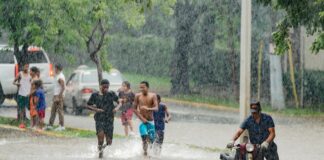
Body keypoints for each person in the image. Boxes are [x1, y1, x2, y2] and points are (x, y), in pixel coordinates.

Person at [86, 79, 120, 158]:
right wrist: (96, 109)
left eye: (107, 87)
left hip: (109, 119)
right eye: (104, 87)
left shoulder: (111, 94)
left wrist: (116, 108)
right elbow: (88, 105)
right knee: (100, 139)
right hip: (99, 119)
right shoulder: (95, 95)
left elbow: (119, 102)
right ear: (100, 86)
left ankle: (101, 149)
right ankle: (100, 154)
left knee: (109, 142)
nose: (106, 89)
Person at [133, 81, 158, 156]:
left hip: (150, 121)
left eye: (143, 87)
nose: (141, 89)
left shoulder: (153, 96)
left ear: (147, 87)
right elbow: (134, 109)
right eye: (140, 87)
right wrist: (142, 118)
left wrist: (148, 109)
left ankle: (150, 152)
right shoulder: (137, 96)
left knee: (151, 140)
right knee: (144, 137)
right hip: (142, 121)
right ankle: (145, 153)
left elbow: (156, 108)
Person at [47, 64, 66, 131]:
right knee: (53, 111)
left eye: (55, 68)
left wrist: (59, 96)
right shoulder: (57, 76)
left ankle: (62, 125)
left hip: (59, 96)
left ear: (57, 69)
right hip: (56, 95)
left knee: (60, 111)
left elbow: (63, 87)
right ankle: (50, 125)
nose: (54, 70)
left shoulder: (60, 77)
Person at [13, 63, 31, 129]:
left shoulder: (30, 74)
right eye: (25, 66)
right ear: (23, 67)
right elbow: (13, 82)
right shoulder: (20, 74)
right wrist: (17, 83)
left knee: (30, 109)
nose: (26, 68)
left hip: (28, 94)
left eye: (27, 67)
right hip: (21, 94)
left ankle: (32, 123)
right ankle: (22, 123)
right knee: (22, 109)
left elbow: (33, 82)